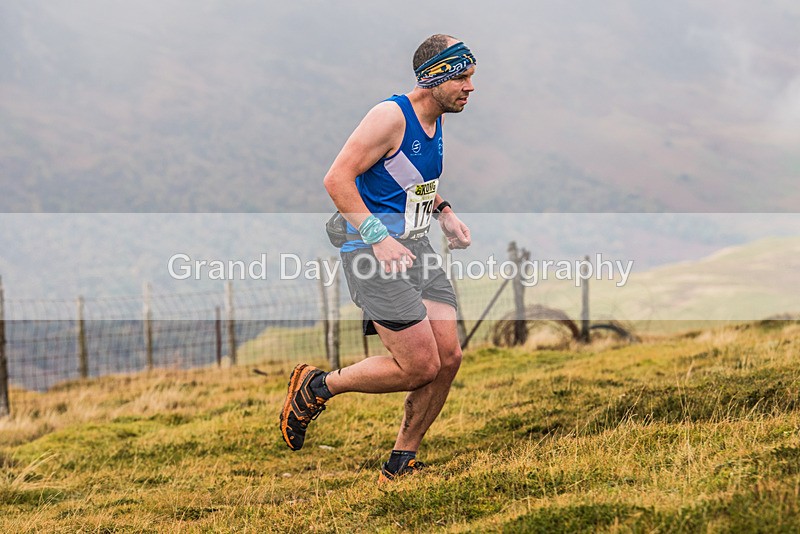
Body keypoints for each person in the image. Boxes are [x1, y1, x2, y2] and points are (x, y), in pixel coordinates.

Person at [279, 34, 476, 482]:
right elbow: (336, 179)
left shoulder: (435, 118)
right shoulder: (390, 117)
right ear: (436, 77)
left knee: (448, 358)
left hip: (415, 246)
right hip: (372, 254)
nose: (470, 87)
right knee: (419, 366)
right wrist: (377, 238)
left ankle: (401, 461)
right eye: (462, 77)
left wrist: (443, 211)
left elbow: (406, 178)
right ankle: (318, 385)